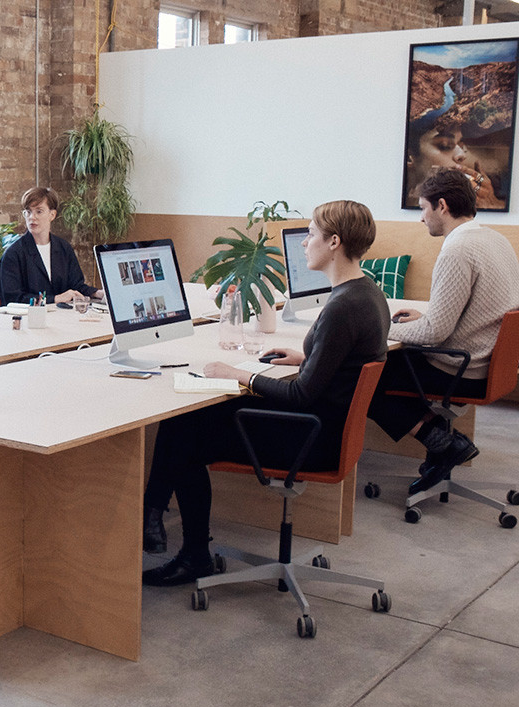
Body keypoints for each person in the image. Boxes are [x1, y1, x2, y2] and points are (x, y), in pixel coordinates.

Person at [142, 201, 389, 585]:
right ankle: (155, 519)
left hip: (310, 438)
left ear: (335, 242)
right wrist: (306, 357)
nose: (305, 243)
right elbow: (343, 364)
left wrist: (239, 375)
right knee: (193, 422)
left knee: (185, 427)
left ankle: (184, 546)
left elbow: (300, 397)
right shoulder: (367, 293)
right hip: (328, 430)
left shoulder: (342, 307)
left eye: (310, 234)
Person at [368, 169, 519, 494]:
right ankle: (443, 440)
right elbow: (466, 310)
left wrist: (383, 333)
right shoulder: (494, 238)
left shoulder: (456, 251)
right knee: (382, 365)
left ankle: (440, 440)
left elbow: (436, 332)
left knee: (362, 375)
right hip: (485, 360)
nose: (421, 219)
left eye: (423, 208)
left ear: (441, 205)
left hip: (459, 366)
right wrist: (422, 317)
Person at [0, 187, 105, 305]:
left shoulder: (63, 248)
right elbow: (13, 298)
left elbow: (76, 286)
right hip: (30, 319)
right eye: (28, 212)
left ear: (52, 215)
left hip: (62, 316)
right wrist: (55, 299)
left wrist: (97, 293)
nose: (32, 217)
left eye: (39, 211)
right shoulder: (14, 253)